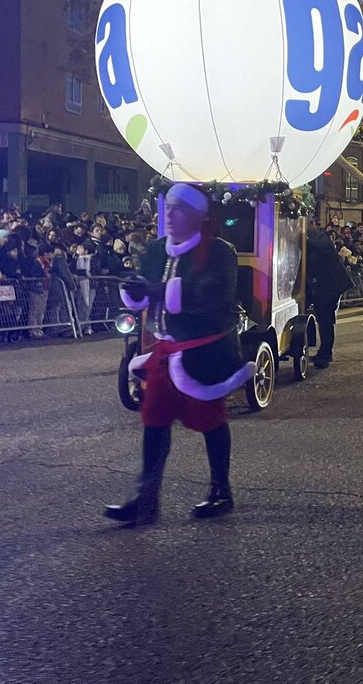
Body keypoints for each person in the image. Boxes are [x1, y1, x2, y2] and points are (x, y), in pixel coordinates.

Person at [104, 184, 255, 526]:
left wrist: (162, 290)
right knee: (154, 421)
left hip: (204, 353)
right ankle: (146, 501)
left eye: (179, 210)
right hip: (165, 350)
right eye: (168, 208)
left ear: (199, 217)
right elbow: (146, 289)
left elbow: (212, 296)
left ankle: (221, 490)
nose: (170, 216)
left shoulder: (219, 252)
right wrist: (136, 290)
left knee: (209, 420)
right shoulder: (158, 250)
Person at [306, 224, 354, 368]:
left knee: (326, 321)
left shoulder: (317, 244)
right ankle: (325, 352)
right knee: (324, 321)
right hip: (329, 286)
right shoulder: (319, 241)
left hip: (329, 287)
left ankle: (325, 355)